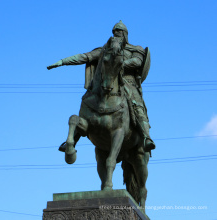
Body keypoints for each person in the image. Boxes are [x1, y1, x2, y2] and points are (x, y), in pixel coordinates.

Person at [47, 20, 155, 153]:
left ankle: (146, 137)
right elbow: (86, 57)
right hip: (107, 81)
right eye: (115, 32)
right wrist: (63, 61)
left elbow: (137, 62)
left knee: (137, 105)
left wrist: (119, 63)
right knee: (88, 99)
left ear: (125, 34)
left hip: (127, 81)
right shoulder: (105, 50)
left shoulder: (135, 49)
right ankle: (73, 140)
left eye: (119, 32)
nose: (117, 35)